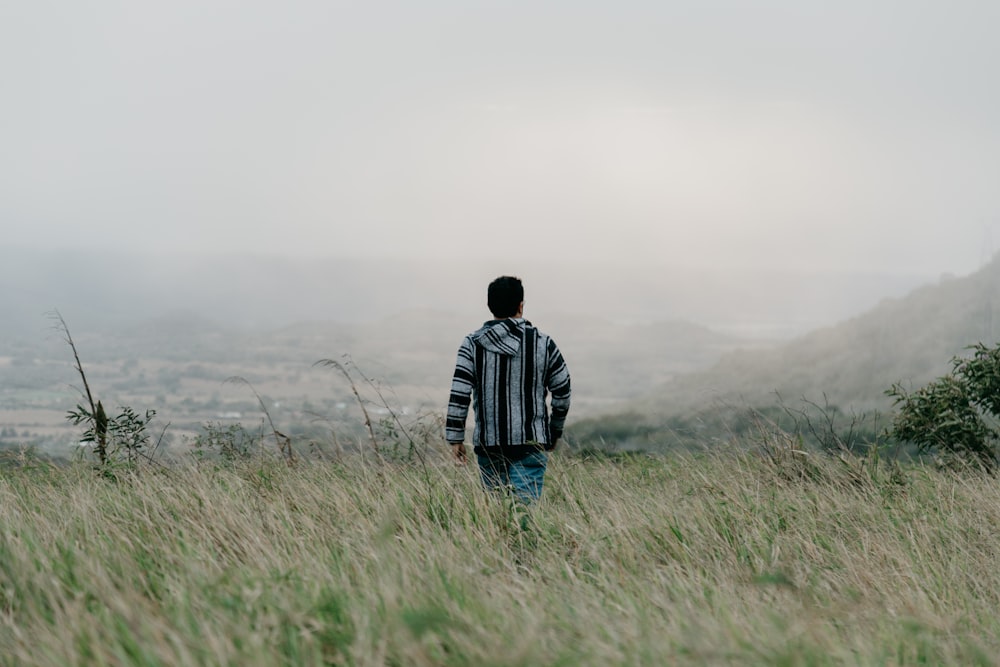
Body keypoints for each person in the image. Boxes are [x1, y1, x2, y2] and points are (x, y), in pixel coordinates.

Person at [446, 276, 571, 504]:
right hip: (530, 443)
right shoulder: (543, 343)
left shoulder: (472, 344)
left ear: (489, 306)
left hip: (489, 445)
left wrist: (456, 439)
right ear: (520, 306)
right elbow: (562, 390)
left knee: (497, 515)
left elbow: (459, 394)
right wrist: (554, 432)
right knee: (524, 515)